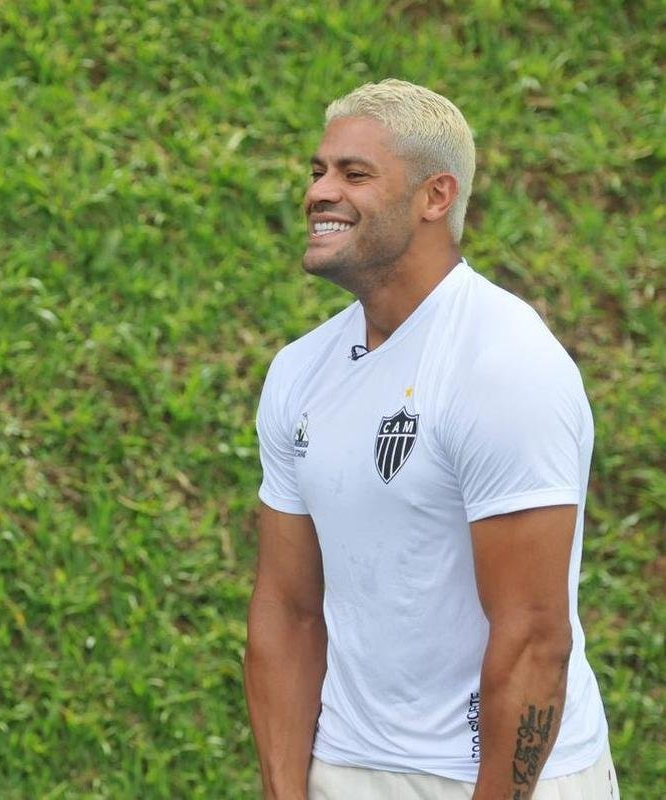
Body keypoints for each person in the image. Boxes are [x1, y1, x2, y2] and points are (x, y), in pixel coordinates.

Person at [244, 80, 619, 799]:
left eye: (353, 174)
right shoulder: (298, 372)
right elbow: (285, 607)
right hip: (345, 767)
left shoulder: (504, 365)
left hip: (502, 779)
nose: (319, 191)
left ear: (434, 196)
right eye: (317, 171)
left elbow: (533, 635)